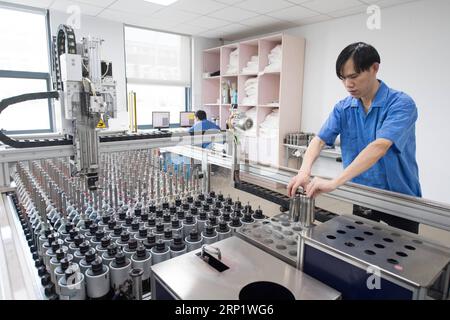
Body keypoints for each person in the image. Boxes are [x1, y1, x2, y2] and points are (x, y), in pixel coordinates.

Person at [287, 42, 421, 233]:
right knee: (360, 249)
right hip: (362, 194)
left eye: (354, 76)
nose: (348, 84)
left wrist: (334, 182)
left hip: (399, 198)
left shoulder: (401, 104)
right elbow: (319, 140)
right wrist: (303, 171)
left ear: (374, 68)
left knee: (400, 257)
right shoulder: (343, 108)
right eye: (343, 78)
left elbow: (379, 147)